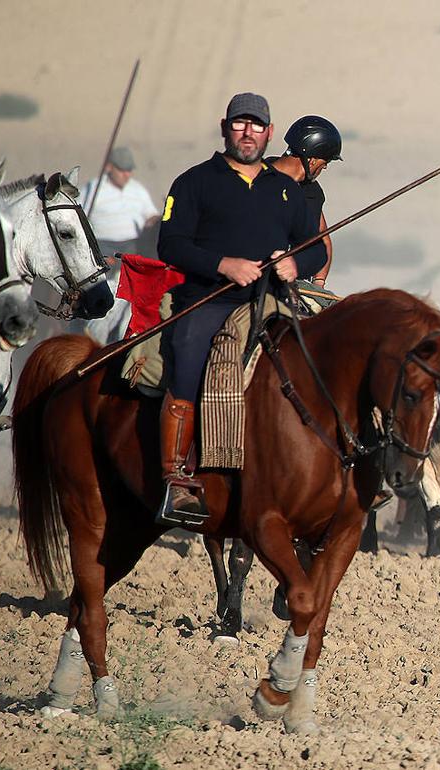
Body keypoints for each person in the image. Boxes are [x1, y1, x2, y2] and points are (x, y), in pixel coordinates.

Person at [155, 92, 326, 524]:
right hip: (210, 299)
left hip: (271, 300)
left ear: (269, 133)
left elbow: (314, 253)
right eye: (239, 123)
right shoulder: (193, 182)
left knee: (321, 359)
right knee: (188, 360)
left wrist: (293, 262)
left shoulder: (287, 190)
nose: (247, 132)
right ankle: (177, 479)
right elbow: (170, 244)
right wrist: (222, 265)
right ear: (225, 127)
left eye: (256, 125)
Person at [76, 146, 160, 341]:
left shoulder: (137, 190)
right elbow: (79, 219)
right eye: (122, 169)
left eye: (129, 170)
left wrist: (158, 220)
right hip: (102, 247)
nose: (127, 174)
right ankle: (91, 324)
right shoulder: (93, 189)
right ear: (109, 167)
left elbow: (151, 215)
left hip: (133, 247)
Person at [266, 115, 342, 288]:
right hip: (254, 283)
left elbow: (323, 238)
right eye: (326, 161)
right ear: (312, 159)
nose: (325, 167)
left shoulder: (312, 192)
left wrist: (319, 283)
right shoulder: (257, 178)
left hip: (300, 286)